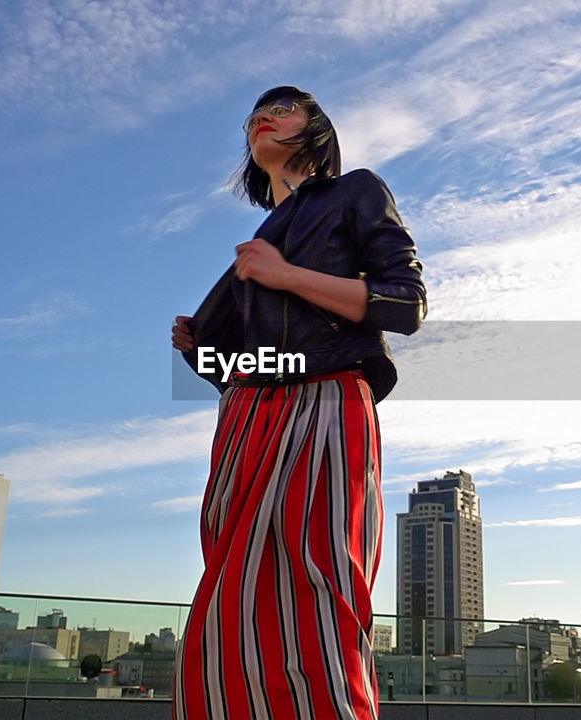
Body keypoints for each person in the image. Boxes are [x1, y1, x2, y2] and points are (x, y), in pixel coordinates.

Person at [169, 86, 426, 719]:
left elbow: (404, 303)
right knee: (228, 597)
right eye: (257, 112)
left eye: (285, 107)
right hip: (249, 417)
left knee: (318, 586)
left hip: (329, 400)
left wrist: (284, 275)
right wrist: (204, 355)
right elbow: (256, 365)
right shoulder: (257, 241)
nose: (264, 115)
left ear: (317, 127)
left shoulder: (355, 191)